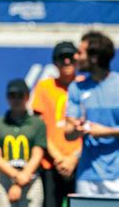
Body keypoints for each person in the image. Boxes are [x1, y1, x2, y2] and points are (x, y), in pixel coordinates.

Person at [65, 31, 119, 196]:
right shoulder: (76, 88)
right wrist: (76, 128)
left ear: (94, 58)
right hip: (87, 176)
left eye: (80, 52)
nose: (75, 56)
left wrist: (106, 132)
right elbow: (68, 133)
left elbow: (104, 132)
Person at [31, 41, 82, 207]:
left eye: (70, 57)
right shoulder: (45, 86)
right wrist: (59, 158)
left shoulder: (87, 86)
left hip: (81, 162)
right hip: (51, 164)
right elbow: (40, 127)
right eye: (62, 58)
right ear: (55, 63)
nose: (66, 62)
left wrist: (74, 157)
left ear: (78, 60)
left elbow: (91, 126)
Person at [0, 79, 46, 207]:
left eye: (20, 95)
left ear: (27, 97)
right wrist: (16, 176)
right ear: (7, 98)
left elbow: (38, 154)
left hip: (31, 178)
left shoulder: (37, 123)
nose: (16, 100)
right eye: (12, 96)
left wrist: (22, 178)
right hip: (4, 179)